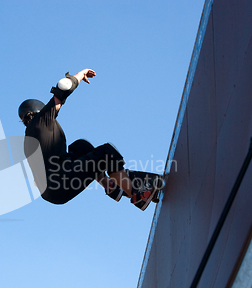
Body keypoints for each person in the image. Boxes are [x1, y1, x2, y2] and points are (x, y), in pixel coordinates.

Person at [19, 69, 159, 210]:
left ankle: (111, 186)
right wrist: (81, 74)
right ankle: (137, 195)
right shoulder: (42, 120)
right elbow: (64, 87)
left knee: (81, 146)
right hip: (60, 181)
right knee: (106, 153)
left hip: (51, 192)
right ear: (39, 110)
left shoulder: (28, 141)